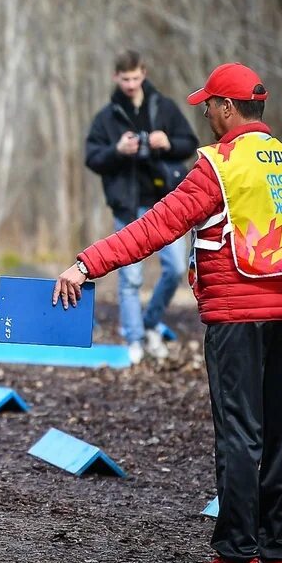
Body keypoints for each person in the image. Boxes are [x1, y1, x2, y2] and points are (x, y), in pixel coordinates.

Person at [54, 63, 282, 563]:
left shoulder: (220, 165)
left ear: (227, 108)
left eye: (209, 104)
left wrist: (88, 263)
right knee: (281, 435)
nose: (204, 112)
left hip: (236, 314)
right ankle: (277, 557)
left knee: (239, 436)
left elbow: (157, 226)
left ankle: (237, 559)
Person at [84, 50, 198, 364]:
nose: (132, 84)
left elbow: (190, 143)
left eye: (136, 78)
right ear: (116, 78)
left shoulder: (164, 107)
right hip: (128, 207)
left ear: (144, 74)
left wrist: (168, 143)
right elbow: (92, 158)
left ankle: (149, 324)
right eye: (126, 79)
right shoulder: (106, 118)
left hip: (168, 204)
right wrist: (117, 150)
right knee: (130, 278)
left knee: (176, 269)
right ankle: (134, 339)